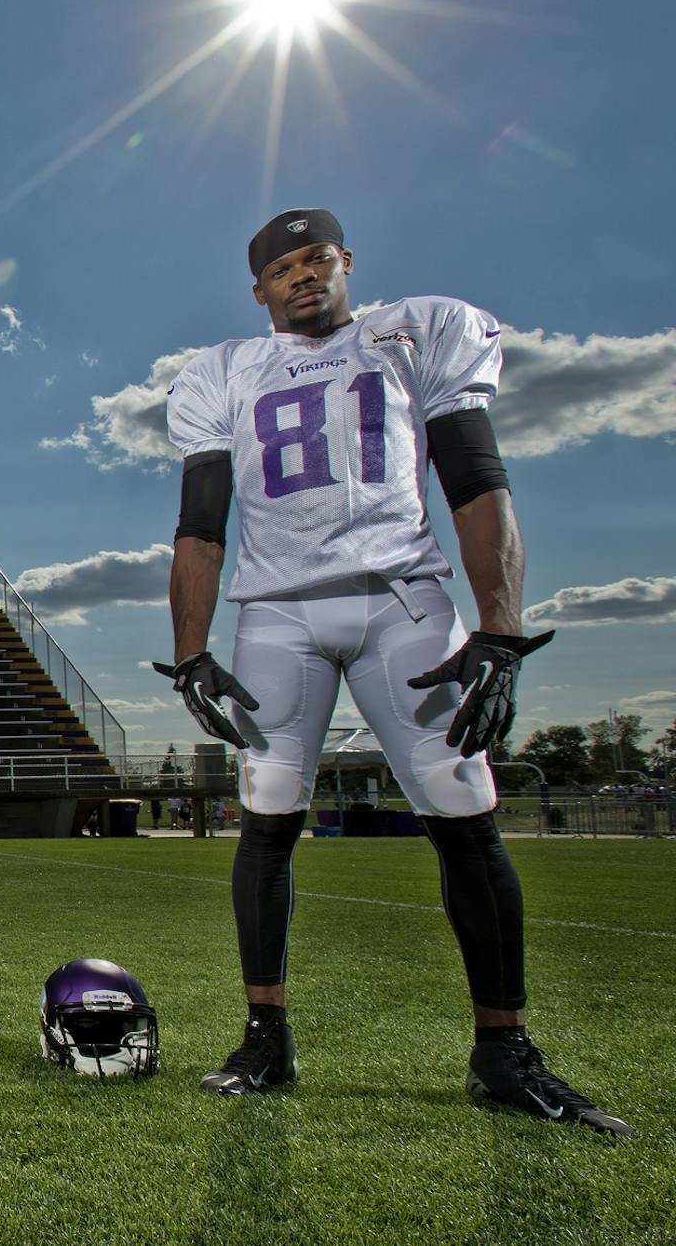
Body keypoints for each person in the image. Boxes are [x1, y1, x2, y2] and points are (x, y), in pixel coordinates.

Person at [157, 209, 627, 1135]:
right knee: (268, 819)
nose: (303, 277)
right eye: (283, 268)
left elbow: (476, 479)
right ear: (258, 289)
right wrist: (188, 655)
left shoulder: (416, 333)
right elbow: (201, 525)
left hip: (402, 598)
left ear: (346, 264)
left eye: (317, 259)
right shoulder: (222, 371)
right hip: (278, 612)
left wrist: (497, 629)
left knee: (464, 815)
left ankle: (504, 1048)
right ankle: (266, 1036)